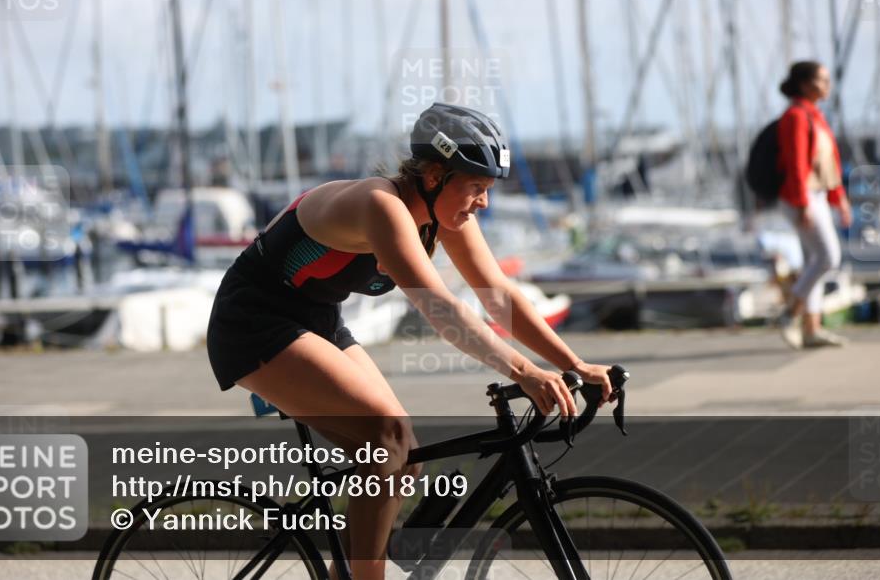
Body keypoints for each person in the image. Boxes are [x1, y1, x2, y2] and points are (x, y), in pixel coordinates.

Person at [206, 102, 614, 580]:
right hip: (254, 321)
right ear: (436, 174)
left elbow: (498, 296)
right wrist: (523, 371)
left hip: (314, 318)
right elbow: (440, 307)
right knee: (387, 437)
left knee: (403, 461)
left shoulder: (445, 214)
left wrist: (575, 363)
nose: (483, 201)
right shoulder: (381, 206)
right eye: (477, 187)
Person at [774, 61, 852, 349]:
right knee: (829, 257)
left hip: (816, 195)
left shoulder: (814, 115)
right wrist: (803, 203)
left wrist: (838, 198)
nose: (827, 86)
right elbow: (796, 164)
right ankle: (790, 311)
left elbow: (829, 161)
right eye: (823, 80)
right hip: (802, 197)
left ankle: (811, 329)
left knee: (814, 262)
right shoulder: (795, 116)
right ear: (806, 84)